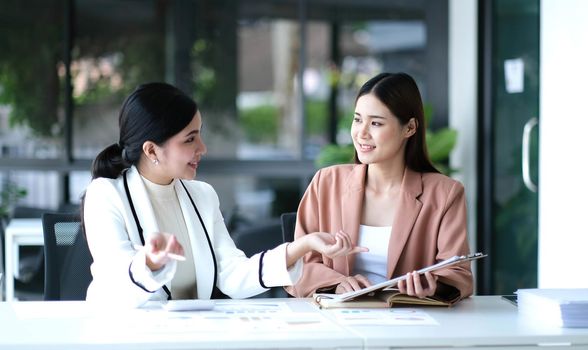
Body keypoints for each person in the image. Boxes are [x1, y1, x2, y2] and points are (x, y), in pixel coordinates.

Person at [82, 82, 365, 307]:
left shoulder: (202, 195)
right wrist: (150, 263)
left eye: (200, 134)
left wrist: (302, 246)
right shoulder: (106, 195)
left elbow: (232, 274)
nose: (202, 148)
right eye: (190, 139)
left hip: (193, 338)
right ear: (152, 150)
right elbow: (117, 280)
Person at [285, 72, 473, 301]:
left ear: (410, 128)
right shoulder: (326, 183)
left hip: (411, 323)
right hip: (338, 321)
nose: (361, 133)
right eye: (357, 119)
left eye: (375, 123)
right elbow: (299, 264)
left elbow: (458, 274)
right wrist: (336, 285)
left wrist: (433, 288)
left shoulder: (445, 194)